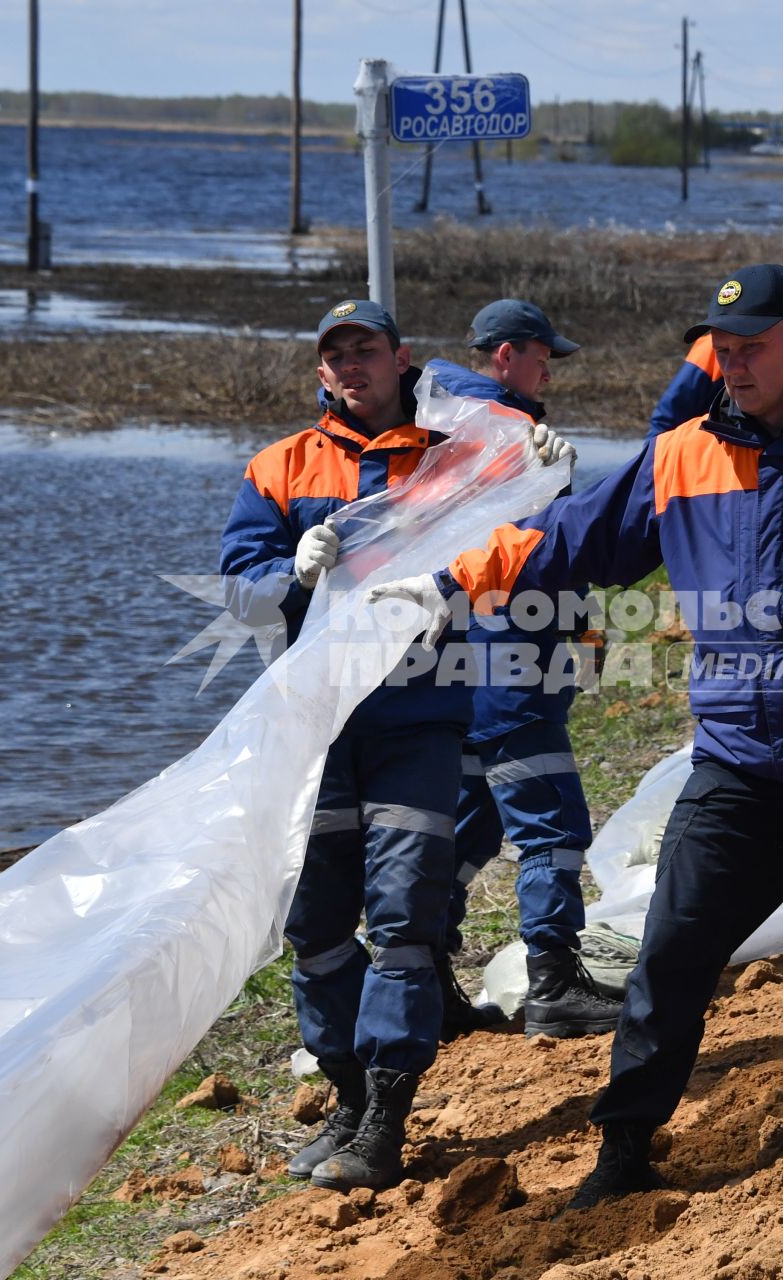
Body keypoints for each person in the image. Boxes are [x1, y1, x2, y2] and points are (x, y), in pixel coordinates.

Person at [370, 264, 783, 1210]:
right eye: (719, 352)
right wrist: (451, 580)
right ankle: (624, 1150)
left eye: (750, 350)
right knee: (671, 953)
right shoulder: (684, 455)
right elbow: (566, 537)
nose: (730, 368)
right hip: (741, 763)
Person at [219, 298, 565, 1193]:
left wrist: (552, 477)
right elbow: (241, 597)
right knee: (318, 930)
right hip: (317, 728)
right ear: (319, 371)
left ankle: (384, 1115)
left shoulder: (452, 456)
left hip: (419, 719)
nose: (350, 366)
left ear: (399, 355)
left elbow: (526, 532)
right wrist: (293, 569)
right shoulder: (280, 468)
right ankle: (344, 1091)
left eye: (365, 349)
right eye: (334, 355)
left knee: (407, 922)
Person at [421, 299, 625, 1041]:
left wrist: (579, 620)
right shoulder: (504, 434)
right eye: (543, 356)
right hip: (509, 662)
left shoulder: (451, 426)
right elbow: (532, 549)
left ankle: (427, 985)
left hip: (462, 667)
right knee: (553, 826)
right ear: (504, 355)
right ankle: (554, 984)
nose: (551, 371)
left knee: (468, 829)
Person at [648, 333, 723, 436]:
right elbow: (666, 421)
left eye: (750, 347)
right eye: (724, 351)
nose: (734, 368)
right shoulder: (710, 348)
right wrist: (654, 450)